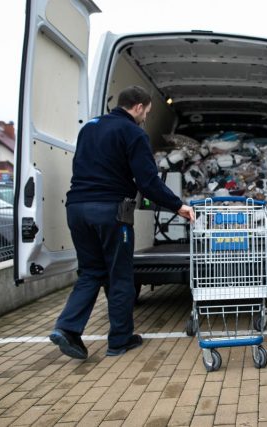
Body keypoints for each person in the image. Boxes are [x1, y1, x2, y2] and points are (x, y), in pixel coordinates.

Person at [49, 86, 195, 359]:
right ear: (138, 107)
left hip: (77, 207)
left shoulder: (89, 128)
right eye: (147, 113)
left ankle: (67, 328)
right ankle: (120, 339)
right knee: (120, 275)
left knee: (91, 271)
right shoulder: (133, 133)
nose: (146, 118)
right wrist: (179, 206)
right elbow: (148, 181)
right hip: (110, 212)